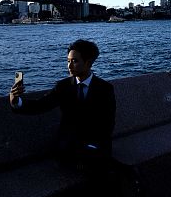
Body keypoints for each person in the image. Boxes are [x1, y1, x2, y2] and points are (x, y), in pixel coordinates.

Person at [9, 39, 116, 190]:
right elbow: (41, 105)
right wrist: (16, 102)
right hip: (69, 149)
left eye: (75, 61)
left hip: (95, 148)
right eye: (68, 61)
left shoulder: (105, 89)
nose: (69, 66)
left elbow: (107, 125)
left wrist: (90, 148)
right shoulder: (63, 86)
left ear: (88, 62)